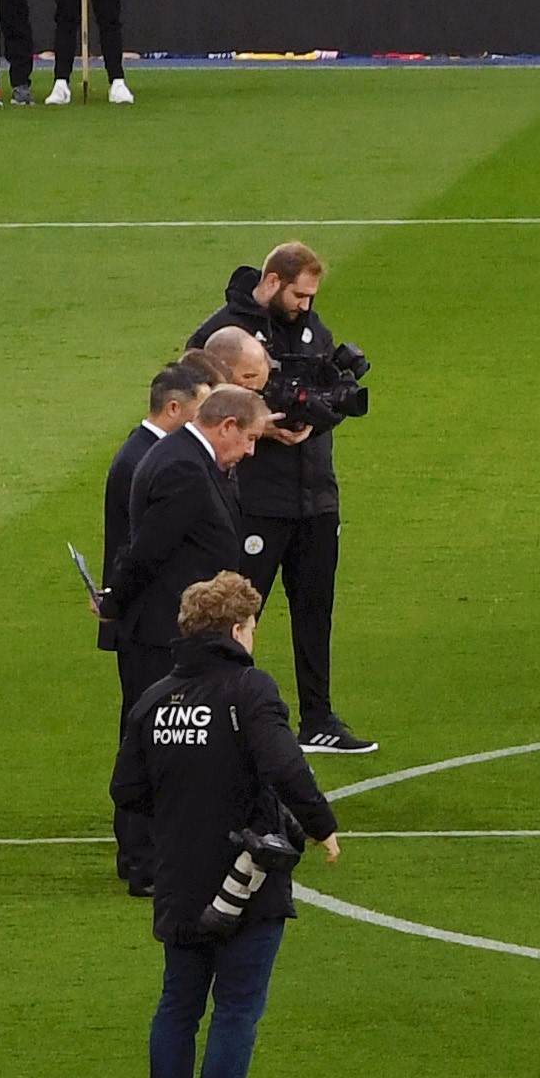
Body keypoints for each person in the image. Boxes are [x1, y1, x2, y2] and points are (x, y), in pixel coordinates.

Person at [114, 572, 339, 1078]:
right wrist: (321, 824)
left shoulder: (155, 697)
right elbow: (286, 766)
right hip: (247, 876)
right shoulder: (248, 688)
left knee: (177, 1008)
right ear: (239, 630)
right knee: (236, 1009)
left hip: (179, 876)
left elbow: (126, 789)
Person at [195, 246, 368, 751]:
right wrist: (260, 429)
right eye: (299, 295)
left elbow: (334, 394)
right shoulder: (224, 333)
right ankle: (216, 714)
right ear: (272, 282)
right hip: (256, 496)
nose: (307, 306)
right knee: (239, 611)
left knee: (316, 610)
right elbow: (201, 400)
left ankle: (318, 720)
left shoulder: (315, 332)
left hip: (315, 494)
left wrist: (317, 415)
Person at [105, 381, 274, 820]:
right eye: (251, 438)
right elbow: (146, 551)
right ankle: (143, 859)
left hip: (173, 632)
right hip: (164, 635)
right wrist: (114, 604)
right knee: (157, 747)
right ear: (227, 426)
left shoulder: (191, 458)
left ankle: (159, 850)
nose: (251, 451)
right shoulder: (183, 468)